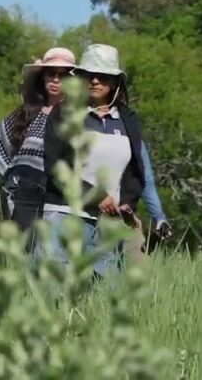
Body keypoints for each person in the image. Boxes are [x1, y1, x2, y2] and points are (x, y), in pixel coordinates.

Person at [40, 44, 146, 279]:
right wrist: (97, 196)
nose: (96, 81)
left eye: (104, 75)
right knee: (56, 295)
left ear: (115, 81)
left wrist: (127, 204)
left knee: (104, 297)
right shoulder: (63, 114)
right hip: (64, 215)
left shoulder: (127, 119)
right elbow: (56, 167)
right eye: (90, 74)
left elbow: (135, 170)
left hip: (108, 223)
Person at [0, 47, 75, 243]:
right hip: (25, 194)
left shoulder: (75, 116)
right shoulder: (28, 112)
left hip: (57, 194)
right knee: (25, 252)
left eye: (62, 76)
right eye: (50, 74)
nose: (55, 80)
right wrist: (8, 175)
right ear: (43, 78)